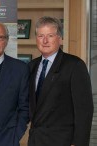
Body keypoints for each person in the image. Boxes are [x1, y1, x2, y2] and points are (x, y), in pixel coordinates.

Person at [28, 16, 93, 146]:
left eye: (50, 35)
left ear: (60, 38)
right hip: (36, 140)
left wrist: (78, 143)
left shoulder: (74, 65)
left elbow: (84, 110)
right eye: (41, 36)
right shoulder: (31, 66)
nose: (45, 40)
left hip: (62, 141)